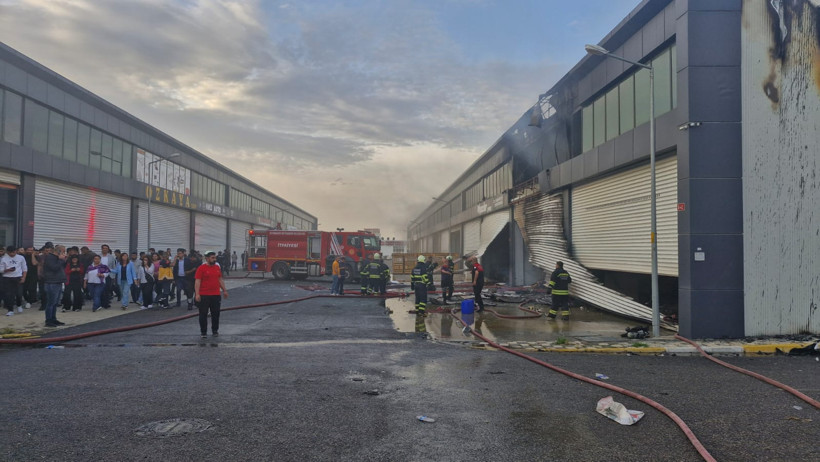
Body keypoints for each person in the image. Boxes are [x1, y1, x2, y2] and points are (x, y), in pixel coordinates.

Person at [195, 250, 228, 338]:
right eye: (212, 258)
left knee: (216, 314)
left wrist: (224, 290)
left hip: (215, 295)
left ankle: (215, 330)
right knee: (203, 314)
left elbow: (220, 279)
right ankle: (203, 332)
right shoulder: (201, 268)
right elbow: (197, 281)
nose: (214, 259)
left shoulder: (217, 268)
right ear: (207, 258)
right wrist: (197, 294)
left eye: (215, 257)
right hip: (204, 295)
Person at [41, 242, 66, 326]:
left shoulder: (57, 258)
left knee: (55, 303)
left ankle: (53, 318)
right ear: (59, 251)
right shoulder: (50, 257)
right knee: (51, 302)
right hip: (51, 282)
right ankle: (48, 320)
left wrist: (63, 260)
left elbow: (62, 267)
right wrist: (61, 260)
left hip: (58, 282)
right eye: (63, 252)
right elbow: (54, 268)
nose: (64, 253)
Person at [1, 246, 27, 315]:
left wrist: (23, 277)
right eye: (10, 253)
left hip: (18, 277)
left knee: (19, 293)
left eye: (14, 252)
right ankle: (10, 310)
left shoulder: (21, 258)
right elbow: (1, 270)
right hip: (7, 278)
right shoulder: (4, 259)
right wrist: (8, 270)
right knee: (9, 294)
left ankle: (19, 305)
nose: (12, 254)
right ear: (7, 252)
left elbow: (24, 268)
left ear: (16, 251)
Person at [99, 244, 117, 308]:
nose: (105, 249)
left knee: (107, 290)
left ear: (108, 249)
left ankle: (106, 303)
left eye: (106, 248)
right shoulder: (98, 256)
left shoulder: (111, 257)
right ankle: (100, 303)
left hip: (108, 275)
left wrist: (113, 276)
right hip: (100, 275)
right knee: (101, 290)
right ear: (101, 249)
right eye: (103, 248)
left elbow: (114, 266)